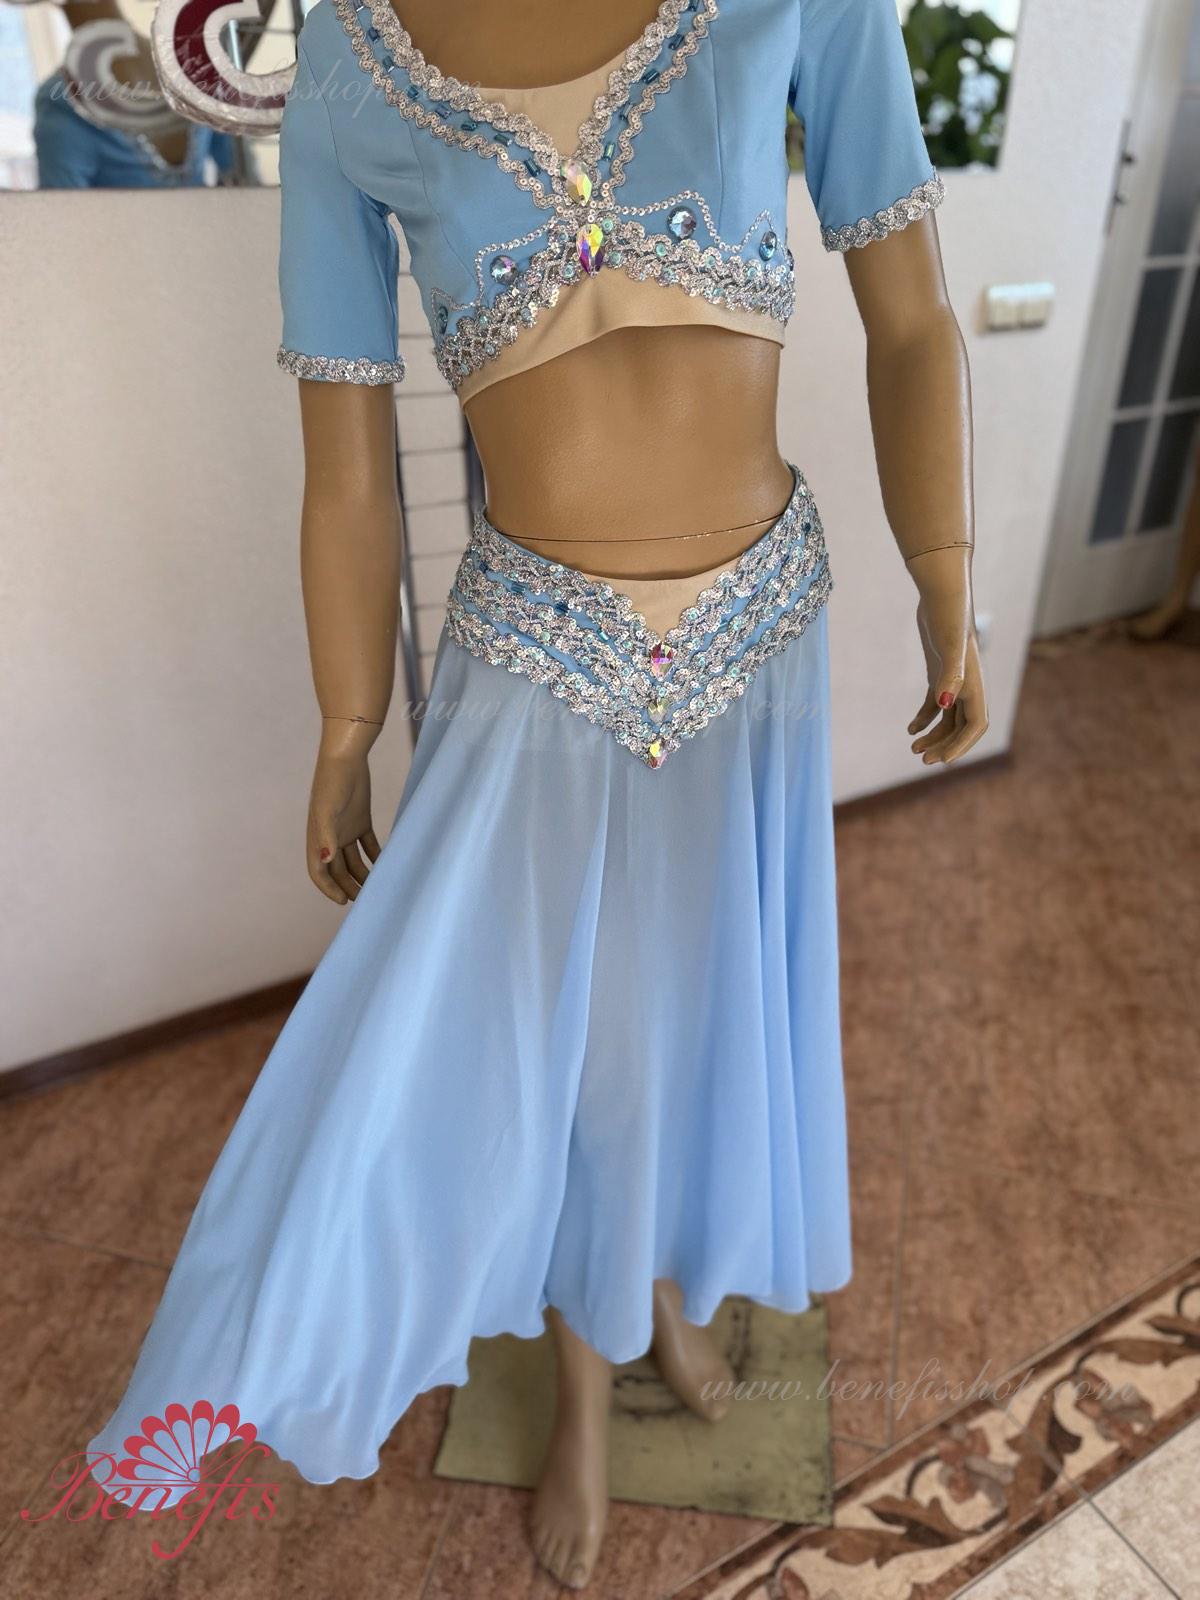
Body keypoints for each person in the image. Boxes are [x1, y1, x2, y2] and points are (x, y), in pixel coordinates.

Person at [87, 0, 987, 1588]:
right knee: (557, 1046)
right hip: (533, 657)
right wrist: (348, 721)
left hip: (760, 632)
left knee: (697, 1014)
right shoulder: (355, 55)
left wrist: (947, 578)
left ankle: (658, 1298)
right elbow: (346, 458)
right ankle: (580, 1387)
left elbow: (910, 315)